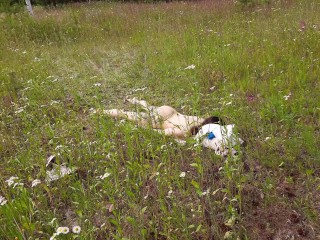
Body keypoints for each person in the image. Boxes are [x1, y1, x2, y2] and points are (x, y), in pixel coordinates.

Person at [98, 98, 241, 156]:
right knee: (127, 115)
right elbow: (164, 133)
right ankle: (99, 111)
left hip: (169, 110)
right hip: (163, 120)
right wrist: (145, 129)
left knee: (151, 109)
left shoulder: (201, 119)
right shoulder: (186, 133)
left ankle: (138, 101)